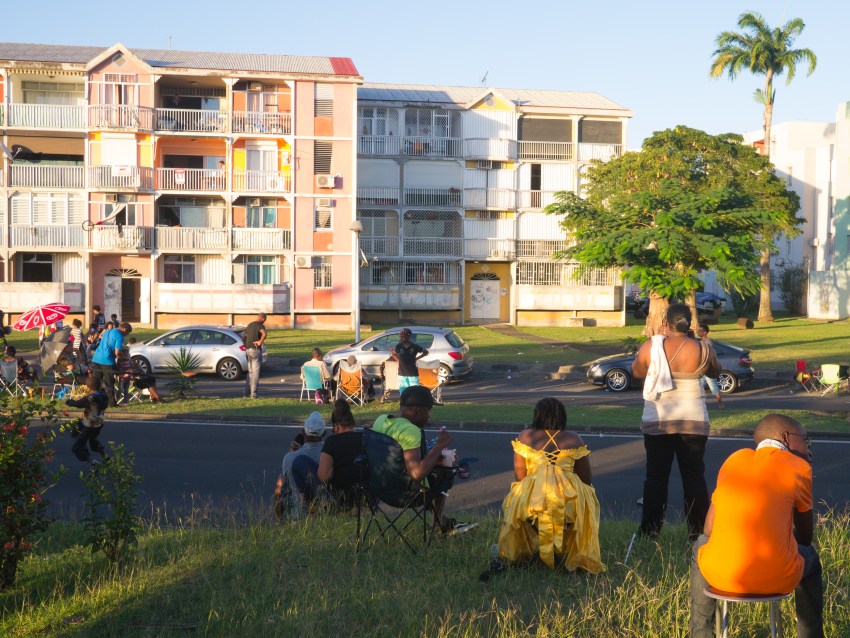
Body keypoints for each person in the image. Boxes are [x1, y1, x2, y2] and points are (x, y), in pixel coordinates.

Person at [690, 414, 823, 638]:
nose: (807, 446)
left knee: (700, 545)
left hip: (720, 576)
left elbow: (708, 530)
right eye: (805, 439)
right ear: (786, 438)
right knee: (809, 555)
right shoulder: (799, 467)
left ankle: (700, 633)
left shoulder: (733, 460)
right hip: (778, 577)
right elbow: (805, 538)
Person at [631, 303, 721, 541]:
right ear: (689, 324)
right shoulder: (702, 348)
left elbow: (637, 372)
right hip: (693, 422)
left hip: (658, 421)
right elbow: (715, 372)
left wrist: (657, 341)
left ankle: (650, 532)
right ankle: (698, 532)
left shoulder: (652, 346)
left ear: (666, 323)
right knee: (694, 477)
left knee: (656, 477)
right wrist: (705, 346)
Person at [497, 398, 605, 573]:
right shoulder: (574, 438)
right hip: (567, 504)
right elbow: (586, 479)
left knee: (518, 494)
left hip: (533, 504)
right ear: (562, 416)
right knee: (586, 495)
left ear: (537, 416)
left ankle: (529, 552)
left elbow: (520, 476)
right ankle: (569, 551)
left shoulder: (525, 436)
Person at [372, 384, 476, 535]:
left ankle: (441, 519)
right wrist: (439, 446)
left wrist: (432, 455)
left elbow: (397, 457)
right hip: (405, 494)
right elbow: (416, 474)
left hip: (379, 487)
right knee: (446, 471)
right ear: (418, 410)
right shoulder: (411, 431)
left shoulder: (381, 420)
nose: (429, 417)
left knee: (437, 464)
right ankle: (439, 521)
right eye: (428, 411)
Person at [274, 412, 327, 518]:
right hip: (324, 511)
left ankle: (278, 519)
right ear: (324, 433)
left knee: (281, 480)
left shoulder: (289, 458)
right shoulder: (329, 455)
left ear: (303, 433)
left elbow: (285, 481)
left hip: (297, 513)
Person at [318, 400, 363, 508]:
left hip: (340, 497)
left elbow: (324, 476)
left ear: (336, 426)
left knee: (300, 461)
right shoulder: (365, 437)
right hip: (365, 495)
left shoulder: (332, 442)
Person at [64, 376, 110, 468]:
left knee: (76, 447)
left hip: (89, 424)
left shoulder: (91, 398)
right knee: (92, 440)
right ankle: (106, 457)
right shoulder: (104, 393)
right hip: (99, 422)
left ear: (88, 387)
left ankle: (93, 462)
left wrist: (69, 402)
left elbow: (79, 404)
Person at [90, 321, 133, 408]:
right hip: (107, 361)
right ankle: (112, 404)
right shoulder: (120, 336)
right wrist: (124, 358)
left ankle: (94, 402)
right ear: (124, 329)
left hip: (96, 358)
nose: (126, 335)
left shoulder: (108, 330)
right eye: (127, 333)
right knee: (109, 383)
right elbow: (117, 353)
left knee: (96, 383)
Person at [695, 323, 723, 408]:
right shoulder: (701, 342)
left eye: (700, 331)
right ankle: (698, 405)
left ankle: (720, 403)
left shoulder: (707, 342)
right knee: (698, 386)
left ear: (705, 332)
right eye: (697, 330)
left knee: (713, 387)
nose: (698, 332)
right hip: (702, 369)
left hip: (708, 369)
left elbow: (710, 355)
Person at [243, 312, 267, 399]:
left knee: (250, 373)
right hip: (255, 350)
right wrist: (260, 342)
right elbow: (264, 334)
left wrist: (245, 345)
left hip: (248, 350)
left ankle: (246, 393)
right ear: (263, 319)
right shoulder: (260, 325)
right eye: (264, 321)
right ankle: (254, 394)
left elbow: (244, 337)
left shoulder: (249, 325)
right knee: (255, 373)